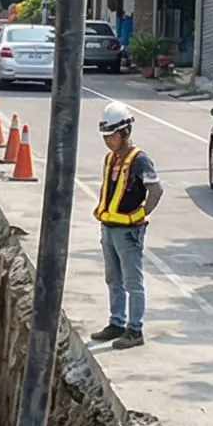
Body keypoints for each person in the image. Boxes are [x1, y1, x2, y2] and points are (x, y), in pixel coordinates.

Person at [91, 102, 160, 347]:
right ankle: (116, 322)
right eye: (106, 137)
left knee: (133, 282)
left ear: (125, 133)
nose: (108, 141)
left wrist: (142, 214)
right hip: (109, 227)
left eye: (112, 136)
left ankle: (135, 329)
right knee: (113, 279)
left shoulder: (140, 160)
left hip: (129, 231)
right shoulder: (110, 159)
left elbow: (156, 190)